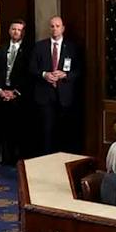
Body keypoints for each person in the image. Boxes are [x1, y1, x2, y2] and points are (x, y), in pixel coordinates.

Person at [31, 15, 80, 153]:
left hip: (65, 96)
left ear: (63, 28)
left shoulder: (71, 47)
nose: (54, 29)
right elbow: (32, 68)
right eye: (52, 26)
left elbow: (79, 70)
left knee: (64, 131)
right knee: (46, 132)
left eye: (57, 26)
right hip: (45, 95)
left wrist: (65, 75)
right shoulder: (40, 46)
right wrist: (44, 74)